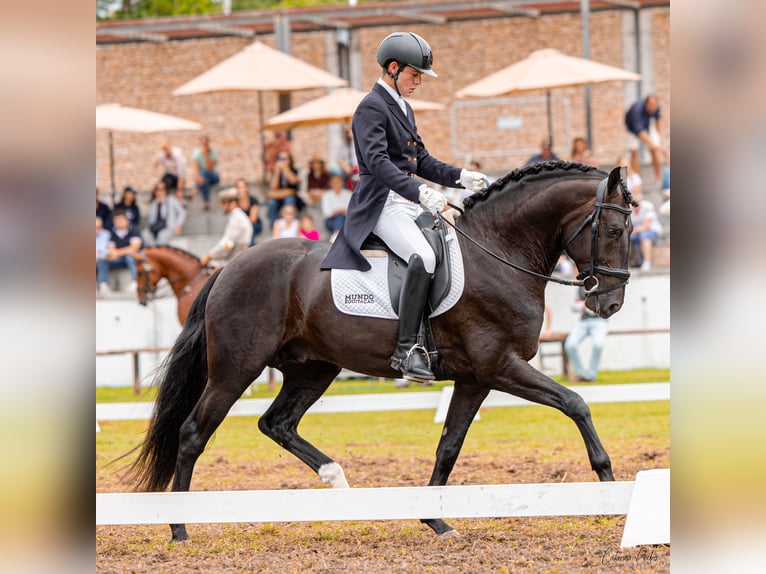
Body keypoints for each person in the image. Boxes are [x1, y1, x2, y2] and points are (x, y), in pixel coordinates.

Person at [320, 31, 488, 382]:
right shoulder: (370, 107)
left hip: (408, 201)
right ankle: (407, 349)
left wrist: (461, 176)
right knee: (423, 257)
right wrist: (419, 192)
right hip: (381, 203)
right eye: (415, 74)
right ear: (393, 68)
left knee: (452, 249)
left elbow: (421, 160)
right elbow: (378, 163)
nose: (419, 82)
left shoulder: (403, 106)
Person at [199, 187, 253, 268]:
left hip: (235, 263)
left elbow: (227, 245)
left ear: (233, 202)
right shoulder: (236, 216)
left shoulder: (237, 219)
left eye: (224, 202)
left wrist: (209, 256)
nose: (222, 206)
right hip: (234, 260)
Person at [564, 286, 609, 383]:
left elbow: (603, 305)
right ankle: (580, 374)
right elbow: (573, 306)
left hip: (600, 321)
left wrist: (583, 304)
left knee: (598, 345)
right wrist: (588, 305)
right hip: (583, 320)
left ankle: (591, 375)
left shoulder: (603, 284)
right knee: (570, 345)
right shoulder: (580, 287)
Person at [96, 209, 142, 295]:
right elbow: (110, 247)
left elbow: (134, 247)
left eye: (121, 219)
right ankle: (103, 284)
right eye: (116, 220)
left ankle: (135, 281)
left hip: (130, 258)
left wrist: (118, 252)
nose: (119, 222)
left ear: (127, 220)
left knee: (131, 256)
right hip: (117, 258)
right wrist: (114, 253)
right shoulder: (112, 231)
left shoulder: (134, 229)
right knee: (102, 258)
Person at [625, 94, 668, 183]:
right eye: (651, 106)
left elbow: (657, 121)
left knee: (654, 151)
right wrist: (654, 145)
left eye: (655, 106)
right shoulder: (636, 110)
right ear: (646, 104)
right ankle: (637, 180)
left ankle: (658, 178)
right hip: (632, 128)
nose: (653, 108)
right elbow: (640, 133)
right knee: (634, 152)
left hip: (646, 125)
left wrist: (659, 140)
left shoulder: (656, 106)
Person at [142, 180, 186, 247]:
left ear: (165, 190)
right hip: (154, 228)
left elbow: (181, 212)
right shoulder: (153, 203)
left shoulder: (171, 200)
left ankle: (157, 252)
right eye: (157, 189)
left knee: (162, 235)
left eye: (161, 189)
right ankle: (156, 251)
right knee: (144, 234)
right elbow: (150, 220)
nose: (159, 191)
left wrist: (178, 224)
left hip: (168, 227)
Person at [630, 188, 663, 271]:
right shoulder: (629, 209)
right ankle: (631, 262)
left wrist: (633, 231)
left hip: (652, 231)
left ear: (640, 200)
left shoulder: (647, 206)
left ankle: (647, 262)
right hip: (636, 233)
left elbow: (646, 226)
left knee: (644, 235)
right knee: (625, 238)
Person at [267, 150, 300, 229]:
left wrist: (285, 168)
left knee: (289, 199)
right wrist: (277, 172)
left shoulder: (294, 170)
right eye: (280, 159)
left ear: (289, 160)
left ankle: (290, 227)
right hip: (278, 200)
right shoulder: (274, 172)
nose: (281, 161)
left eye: (284, 159)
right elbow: (273, 188)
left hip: (292, 200)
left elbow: (294, 182)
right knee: (271, 202)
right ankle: (274, 228)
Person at [321, 167, 352, 242]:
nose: (336, 184)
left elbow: (350, 211)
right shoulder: (326, 195)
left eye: (338, 182)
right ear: (330, 184)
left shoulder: (349, 194)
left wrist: (338, 211)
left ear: (342, 183)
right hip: (330, 221)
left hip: (346, 220)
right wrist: (341, 211)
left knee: (341, 217)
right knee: (340, 217)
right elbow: (327, 212)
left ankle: (335, 237)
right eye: (334, 182)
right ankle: (338, 236)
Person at [190, 135, 220, 211]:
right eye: (203, 143)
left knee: (204, 172)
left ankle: (197, 188)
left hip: (214, 177)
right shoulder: (196, 153)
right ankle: (206, 202)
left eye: (206, 143)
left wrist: (206, 155)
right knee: (203, 177)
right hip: (204, 179)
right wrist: (198, 178)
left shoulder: (213, 152)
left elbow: (210, 168)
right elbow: (195, 169)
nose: (205, 145)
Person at [235, 178, 263, 246]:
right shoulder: (235, 202)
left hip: (255, 226)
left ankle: (250, 245)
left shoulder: (253, 200)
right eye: (239, 187)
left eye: (242, 187)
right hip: (241, 226)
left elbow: (253, 219)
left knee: (250, 225)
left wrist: (242, 222)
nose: (241, 190)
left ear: (247, 188)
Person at [336, 124, 359, 190]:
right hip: (348, 172)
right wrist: (346, 168)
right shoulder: (343, 145)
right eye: (345, 132)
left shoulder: (358, 142)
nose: (347, 134)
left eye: (348, 132)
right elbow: (339, 159)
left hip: (358, 171)